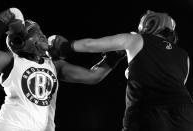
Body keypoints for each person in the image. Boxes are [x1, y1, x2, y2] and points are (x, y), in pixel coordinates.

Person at [55, 10, 193, 131]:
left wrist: (67, 47)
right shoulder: (184, 55)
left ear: (149, 24)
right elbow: (172, 83)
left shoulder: (135, 39)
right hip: (185, 112)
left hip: (147, 109)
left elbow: (90, 44)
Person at [0, 8, 125, 131]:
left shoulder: (54, 64)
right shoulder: (12, 60)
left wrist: (114, 56)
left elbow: (93, 76)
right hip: (11, 125)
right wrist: (1, 21)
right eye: (33, 32)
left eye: (41, 31)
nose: (42, 35)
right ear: (19, 42)